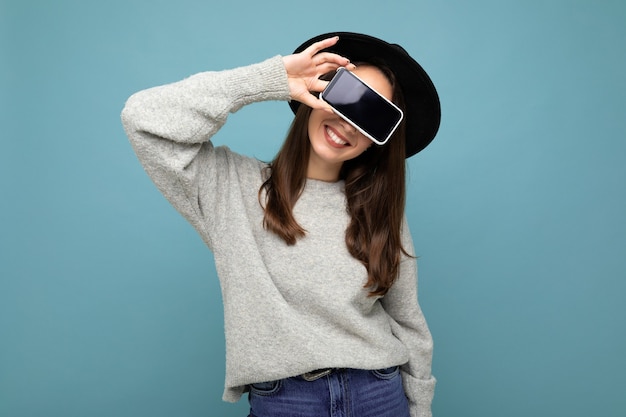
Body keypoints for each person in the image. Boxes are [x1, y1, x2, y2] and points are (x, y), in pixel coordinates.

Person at [121, 31, 440, 417]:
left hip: (379, 394)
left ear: (378, 140)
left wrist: (420, 409)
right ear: (319, 90)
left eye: (372, 115)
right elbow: (142, 117)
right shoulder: (231, 186)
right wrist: (268, 79)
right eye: (347, 97)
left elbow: (408, 321)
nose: (348, 122)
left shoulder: (378, 210)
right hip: (288, 401)